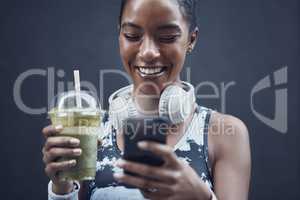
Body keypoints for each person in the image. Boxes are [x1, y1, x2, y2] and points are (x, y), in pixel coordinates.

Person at [42, 0, 251, 199]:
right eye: (132, 35)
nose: (148, 52)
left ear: (191, 39)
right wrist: (62, 187)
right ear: (120, 35)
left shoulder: (224, 134)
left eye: (167, 37)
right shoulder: (91, 131)